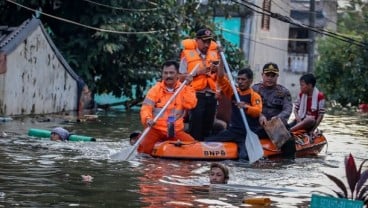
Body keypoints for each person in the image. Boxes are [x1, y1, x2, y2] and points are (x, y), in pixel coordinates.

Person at [138, 60, 197, 154]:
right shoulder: (155, 90)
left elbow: (191, 104)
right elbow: (146, 108)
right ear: (162, 74)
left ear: (177, 74)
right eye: (165, 73)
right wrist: (148, 119)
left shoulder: (185, 88)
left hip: (175, 131)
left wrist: (188, 85)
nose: (168, 76)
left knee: (194, 148)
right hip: (156, 130)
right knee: (144, 150)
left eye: (171, 73)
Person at [205, 65, 262, 160]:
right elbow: (221, 78)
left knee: (244, 157)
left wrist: (246, 107)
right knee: (208, 141)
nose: (240, 82)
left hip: (246, 133)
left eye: (243, 79)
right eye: (238, 79)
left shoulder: (255, 96)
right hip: (233, 131)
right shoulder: (233, 92)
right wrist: (221, 61)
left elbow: (258, 111)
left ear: (250, 81)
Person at [179, 28, 220, 141]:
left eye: (209, 42)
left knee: (208, 127)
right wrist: (197, 73)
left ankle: (205, 151)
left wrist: (217, 69)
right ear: (197, 40)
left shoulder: (215, 55)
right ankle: (193, 147)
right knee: (196, 127)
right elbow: (180, 78)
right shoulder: (187, 56)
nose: (207, 45)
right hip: (196, 96)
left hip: (211, 96)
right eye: (204, 41)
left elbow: (221, 79)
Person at [252, 63, 294, 156]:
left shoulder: (283, 92)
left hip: (276, 127)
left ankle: (288, 162)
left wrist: (277, 118)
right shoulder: (254, 89)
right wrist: (260, 115)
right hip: (258, 125)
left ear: (277, 76)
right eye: (267, 75)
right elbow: (249, 106)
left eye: (273, 75)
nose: (270, 78)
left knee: (287, 140)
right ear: (262, 75)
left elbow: (288, 109)